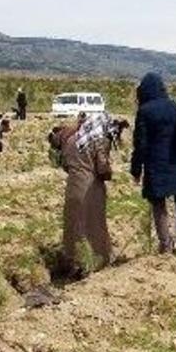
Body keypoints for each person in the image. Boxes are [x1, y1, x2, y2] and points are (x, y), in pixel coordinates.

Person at [130, 73, 176, 256]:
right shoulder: (174, 106)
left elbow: (140, 144)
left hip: (156, 165)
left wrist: (136, 170)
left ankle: (166, 247)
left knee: (159, 206)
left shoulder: (144, 111)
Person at [59, 115, 114, 275]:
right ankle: (94, 262)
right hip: (91, 188)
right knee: (93, 225)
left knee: (74, 225)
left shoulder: (71, 141)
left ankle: (72, 262)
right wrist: (109, 173)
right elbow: (102, 168)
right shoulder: (97, 141)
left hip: (72, 187)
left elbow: (64, 164)